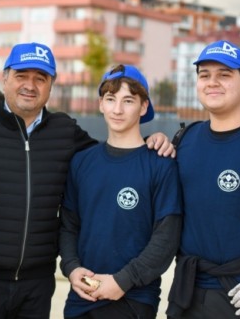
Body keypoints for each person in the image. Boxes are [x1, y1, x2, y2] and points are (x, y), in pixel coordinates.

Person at [0, 42, 175, 319]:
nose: (30, 85)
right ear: (5, 77)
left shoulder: (66, 132)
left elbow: (117, 157)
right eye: (22, 76)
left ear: (51, 84)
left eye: (40, 78)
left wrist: (155, 141)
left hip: (37, 285)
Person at [166, 40, 240, 318]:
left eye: (224, 74)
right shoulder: (184, 140)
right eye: (204, 75)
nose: (212, 82)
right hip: (190, 295)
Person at [59, 64, 182, 319]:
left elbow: (166, 238)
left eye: (128, 100)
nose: (117, 109)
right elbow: (69, 225)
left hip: (133, 300)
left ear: (144, 107)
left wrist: (123, 281)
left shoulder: (160, 164)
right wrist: (71, 269)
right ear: (101, 104)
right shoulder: (82, 162)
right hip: (82, 296)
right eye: (111, 99)